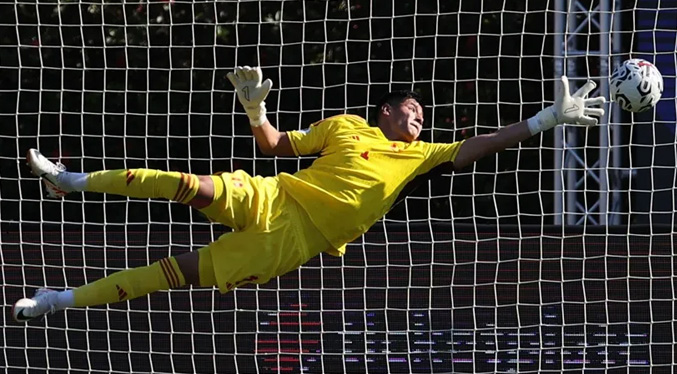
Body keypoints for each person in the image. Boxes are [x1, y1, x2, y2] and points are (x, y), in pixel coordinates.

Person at [12, 66, 605, 322]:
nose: (420, 114)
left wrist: (544, 121)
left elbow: (476, 144)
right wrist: (255, 108)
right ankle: (70, 180)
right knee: (184, 185)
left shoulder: (421, 155)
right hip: (275, 194)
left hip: (294, 243)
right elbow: (274, 146)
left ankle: (59, 299)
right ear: (386, 111)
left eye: (423, 112)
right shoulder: (345, 126)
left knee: (170, 274)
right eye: (411, 107)